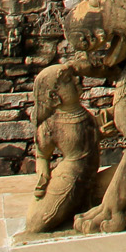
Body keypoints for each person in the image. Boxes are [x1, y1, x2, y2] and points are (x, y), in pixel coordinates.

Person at [24, 63, 100, 234]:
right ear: (54, 96)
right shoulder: (51, 126)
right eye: (68, 80)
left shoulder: (86, 116)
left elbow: (89, 140)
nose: (76, 80)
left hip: (90, 180)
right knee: (37, 224)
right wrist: (42, 176)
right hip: (69, 181)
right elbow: (42, 154)